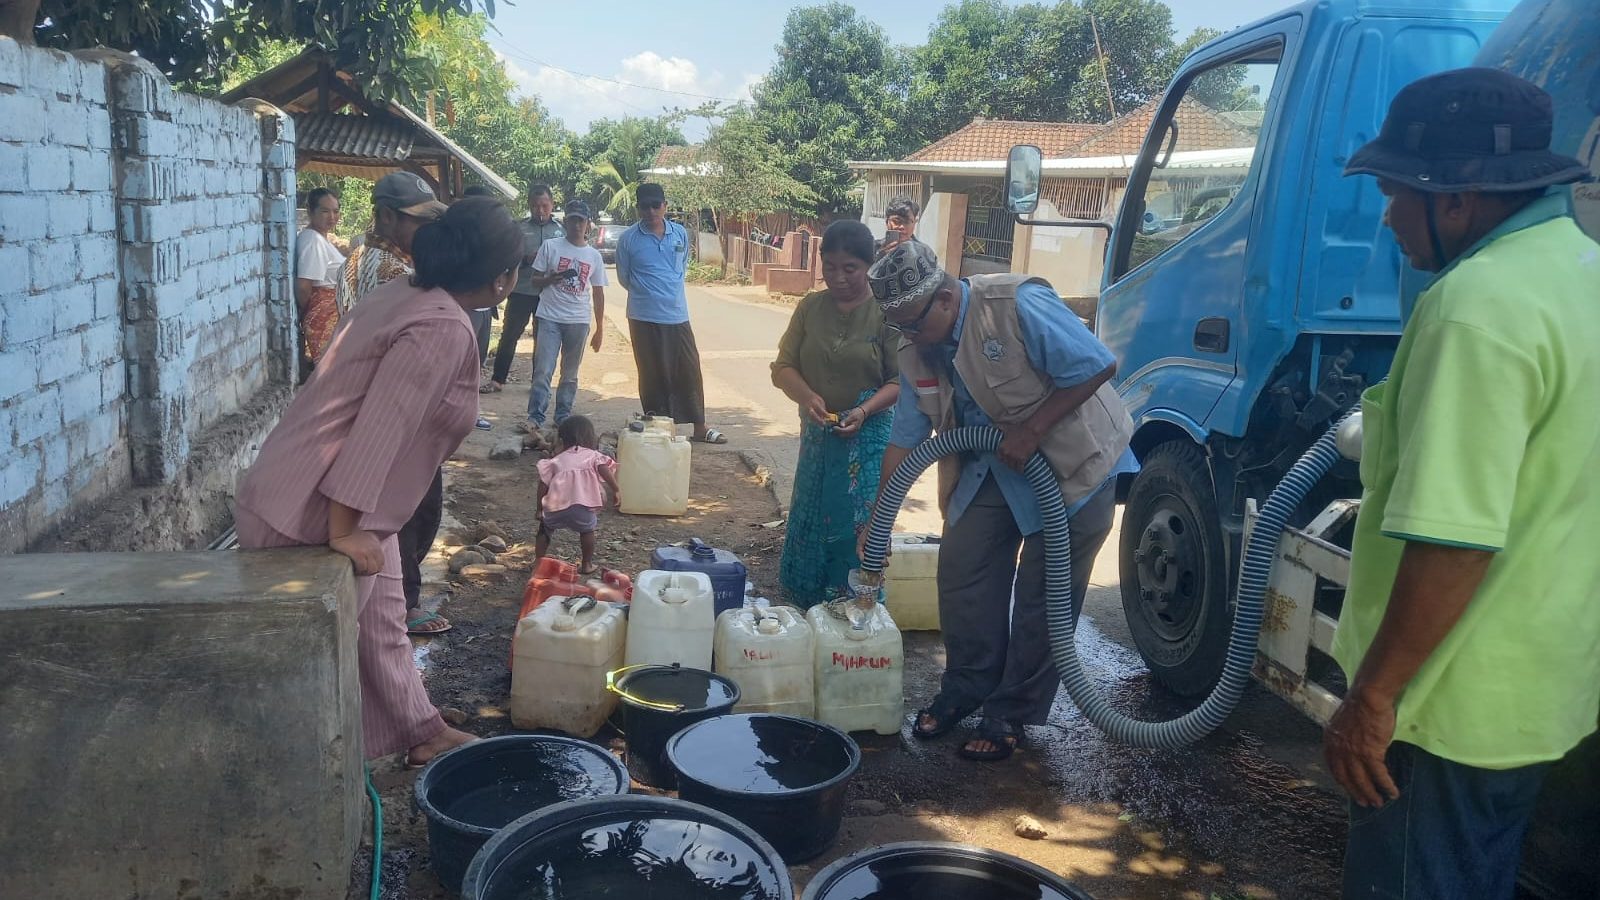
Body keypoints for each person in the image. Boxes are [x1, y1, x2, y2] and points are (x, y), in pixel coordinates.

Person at [1326, 68, 1599, 899]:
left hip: (1440, 709)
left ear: (1455, 199)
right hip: (1538, 694)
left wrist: (1372, 699)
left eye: (1393, 192)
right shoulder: (1582, 271)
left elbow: (1454, 539)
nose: (1385, 215)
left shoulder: (1475, 305)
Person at [233, 196, 525, 768]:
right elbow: (380, 431)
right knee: (329, 657)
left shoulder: (405, 294)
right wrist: (344, 531)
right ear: (501, 280)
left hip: (338, 501)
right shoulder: (443, 327)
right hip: (314, 513)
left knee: (385, 625)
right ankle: (313, 774)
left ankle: (423, 730)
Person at [861, 240, 1136, 762]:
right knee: (963, 570)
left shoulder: (1014, 305)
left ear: (943, 299)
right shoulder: (915, 343)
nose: (909, 336)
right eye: (899, 326)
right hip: (991, 467)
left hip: (1075, 467)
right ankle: (966, 687)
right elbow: (905, 438)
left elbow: (1099, 363)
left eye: (914, 323)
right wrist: (876, 523)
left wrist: (1032, 430)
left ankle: (1010, 710)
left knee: (1043, 597)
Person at [332, 172, 458, 636]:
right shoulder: (398, 275)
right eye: (416, 221)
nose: (425, 231)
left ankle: (390, 600)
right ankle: (400, 605)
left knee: (398, 507)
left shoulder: (354, 260)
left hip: (365, 403)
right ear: (386, 216)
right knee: (409, 509)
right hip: (393, 409)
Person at [771, 220, 900, 606]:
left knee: (858, 524)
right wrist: (808, 396)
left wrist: (862, 410)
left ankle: (856, 607)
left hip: (869, 437)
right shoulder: (810, 307)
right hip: (817, 435)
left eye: (850, 269)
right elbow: (782, 367)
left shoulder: (886, 312)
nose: (838, 277)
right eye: (830, 267)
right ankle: (806, 605)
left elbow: (898, 382)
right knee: (811, 517)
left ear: (869, 265)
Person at [615, 182, 726, 444]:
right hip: (643, 316)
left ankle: (700, 427)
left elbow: (682, 265)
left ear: (665, 206)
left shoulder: (680, 234)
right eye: (645, 206)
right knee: (652, 373)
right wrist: (648, 292)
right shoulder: (628, 239)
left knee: (688, 370)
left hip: (677, 314)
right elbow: (624, 277)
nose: (651, 211)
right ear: (638, 209)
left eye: (656, 205)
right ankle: (660, 431)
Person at [521, 199, 608, 436]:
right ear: (565, 222)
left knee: (570, 374)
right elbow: (534, 280)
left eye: (580, 220)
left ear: (588, 224)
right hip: (549, 316)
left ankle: (562, 416)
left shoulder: (593, 256)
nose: (576, 225)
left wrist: (600, 328)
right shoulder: (551, 247)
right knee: (543, 369)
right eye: (572, 220)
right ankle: (535, 417)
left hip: (578, 320)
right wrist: (551, 279)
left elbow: (598, 292)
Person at [485, 183, 564, 393]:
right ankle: (498, 379)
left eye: (544, 206)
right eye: (535, 206)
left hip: (548, 294)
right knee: (510, 334)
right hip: (520, 290)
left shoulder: (560, 231)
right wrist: (524, 259)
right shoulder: (518, 228)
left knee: (543, 338)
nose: (540, 211)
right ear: (529, 205)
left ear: (552, 204)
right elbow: (507, 256)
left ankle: (537, 383)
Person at [535, 415, 619, 575]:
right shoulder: (593, 456)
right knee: (587, 531)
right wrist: (616, 489)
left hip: (555, 506)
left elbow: (542, 484)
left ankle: (539, 562)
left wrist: (539, 509)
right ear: (590, 437)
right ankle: (586, 564)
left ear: (561, 439)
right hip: (583, 506)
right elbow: (604, 469)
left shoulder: (556, 461)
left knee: (544, 530)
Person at [293, 187, 346, 370]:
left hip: (331, 313)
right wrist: (310, 312)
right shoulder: (312, 241)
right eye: (325, 211)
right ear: (310, 212)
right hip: (323, 316)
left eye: (336, 211)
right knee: (331, 370)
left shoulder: (321, 239)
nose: (332, 217)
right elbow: (304, 286)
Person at [461, 184, 498, 367]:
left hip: (486, 308)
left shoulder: (490, 233)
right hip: (465, 307)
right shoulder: (456, 234)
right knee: (461, 360)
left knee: (477, 361)